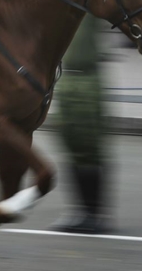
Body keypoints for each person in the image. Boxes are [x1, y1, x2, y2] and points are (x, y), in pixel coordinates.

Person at [49, 15, 111, 234]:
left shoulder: (91, 3)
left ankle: (94, 213)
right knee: (71, 142)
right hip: (67, 79)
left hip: (87, 79)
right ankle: (80, 211)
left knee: (89, 145)